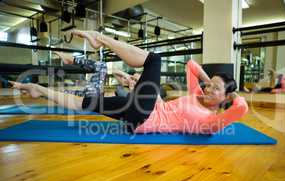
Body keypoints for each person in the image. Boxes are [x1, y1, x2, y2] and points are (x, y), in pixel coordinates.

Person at [10, 30, 248, 134]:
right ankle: (38, 89)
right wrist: (211, 82)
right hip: (139, 112)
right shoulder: (198, 93)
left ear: (225, 98)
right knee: (85, 102)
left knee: (154, 60)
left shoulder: (212, 123)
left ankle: (99, 38)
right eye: (209, 85)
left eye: (216, 90)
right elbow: (191, 66)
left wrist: (231, 94)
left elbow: (242, 108)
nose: (208, 89)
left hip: (144, 117)